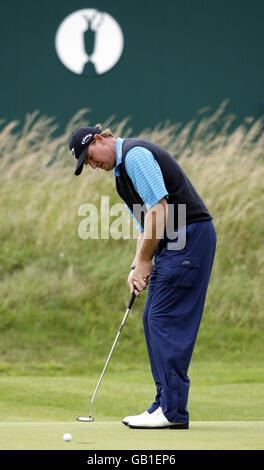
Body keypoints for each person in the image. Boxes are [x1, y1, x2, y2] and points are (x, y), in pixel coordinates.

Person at [68, 125, 217, 429]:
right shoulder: (122, 177)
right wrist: (138, 265)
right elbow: (146, 223)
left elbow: (160, 211)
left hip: (188, 237)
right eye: (87, 164)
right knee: (154, 318)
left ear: (100, 139)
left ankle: (172, 410)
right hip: (175, 240)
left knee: (163, 320)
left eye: (91, 157)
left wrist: (144, 259)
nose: (93, 165)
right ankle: (164, 404)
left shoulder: (135, 156)